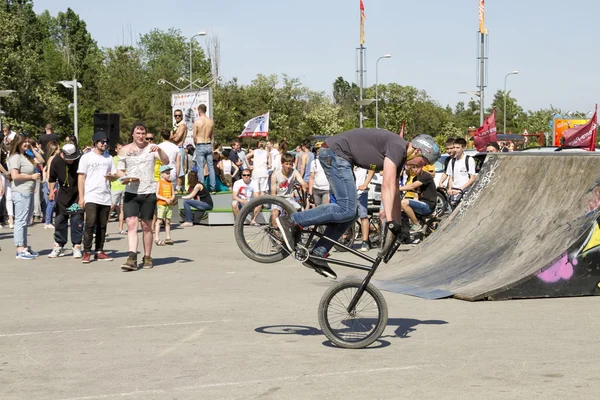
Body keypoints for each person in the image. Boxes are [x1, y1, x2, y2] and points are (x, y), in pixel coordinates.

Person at [276, 128, 439, 279]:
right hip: (336, 154)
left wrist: (396, 225)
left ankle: (319, 252)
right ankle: (292, 221)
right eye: (423, 162)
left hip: (342, 158)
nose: (421, 166)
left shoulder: (400, 156)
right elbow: (387, 185)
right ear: (417, 150)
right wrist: (390, 221)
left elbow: (395, 193)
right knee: (346, 208)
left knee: (351, 213)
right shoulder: (398, 147)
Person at [117, 122, 169, 271]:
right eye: (138, 133)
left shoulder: (152, 148)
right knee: (132, 224)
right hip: (131, 192)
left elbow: (166, 161)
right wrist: (126, 177)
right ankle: (131, 257)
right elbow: (119, 170)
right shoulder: (125, 150)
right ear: (132, 134)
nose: (140, 136)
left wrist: (159, 150)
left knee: (147, 227)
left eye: (143, 133)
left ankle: (147, 256)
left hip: (148, 191)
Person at [77, 131, 117, 263]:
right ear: (95, 143)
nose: (105, 144)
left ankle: (99, 251)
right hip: (91, 195)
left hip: (105, 195)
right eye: (102, 142)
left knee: (102, 225)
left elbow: (114, 176)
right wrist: (81, 197)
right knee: (90, 223)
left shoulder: (109, 158)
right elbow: (81, 177)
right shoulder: (86, 157)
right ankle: (87, 251)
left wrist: (112, 177)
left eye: (106, 142)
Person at [8, 134, 44, 259]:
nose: (26, 144)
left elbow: (41, 160)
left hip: (28, 191)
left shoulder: (26, 156)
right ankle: (20, 249)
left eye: (28, 142)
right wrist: (31, 177)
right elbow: (14, 176)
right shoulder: (15, 157)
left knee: (25, 220)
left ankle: (24, 246)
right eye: (24, 142)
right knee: (20, 220)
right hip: (20, 192)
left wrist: (34, 149)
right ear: (18, 143)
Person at [48, 143, 84, 258]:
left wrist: (83, 196)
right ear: (63, 154)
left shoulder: (79, 159)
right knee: (60, 220)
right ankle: (59, 244)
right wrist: (51, 191)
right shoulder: (56, 161)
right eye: (69, 159)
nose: (71, 161)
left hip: (76, 195)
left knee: (76, 220)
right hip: (63, 195)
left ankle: (76, 246)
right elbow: (52, 178)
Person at [398, 163, 437, 233]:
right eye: (413, 167)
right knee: (402, 207)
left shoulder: (425, 175)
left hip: (428, 205)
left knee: (403, 203)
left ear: (421, 166)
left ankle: (417, 225)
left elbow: (411, 186)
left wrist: (397, 188)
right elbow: (416, 196)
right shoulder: (415, 178)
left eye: (417, 167)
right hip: (421, 203)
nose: (415, 169)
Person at [270, 153, 306, 224]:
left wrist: (304, 186)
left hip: (289, 198)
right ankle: (276, 231)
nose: (288, 166)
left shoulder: (294, 172)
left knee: (299, 212)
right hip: (278, 198)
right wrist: (279, 205)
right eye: (286, 164)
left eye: (290, 164)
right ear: (282, 164)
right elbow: (273, 193)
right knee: (275, 214)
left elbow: (302, 181)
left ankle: (292, 230)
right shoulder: (275, 175)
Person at [193, 104, 216, 193]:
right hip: (208, 144)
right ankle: (213, 187)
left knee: (200, 167)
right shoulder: (211, 122)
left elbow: (195, 136)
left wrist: (196, 144)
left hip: (200, 143)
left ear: (199, 111)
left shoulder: (197, 121)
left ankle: (202, 187)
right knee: (211, 167)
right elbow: (211, 135)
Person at [154, 165, 176, 243]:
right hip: (161, 204)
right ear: (162, 174)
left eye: (169, 173)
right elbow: (157, 194)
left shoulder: (170, 183)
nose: (168, 175)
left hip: (169, 204)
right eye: (167, 173)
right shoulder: (159, 182)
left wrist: (171, 199)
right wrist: (165, 199)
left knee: (168, 221)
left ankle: (168, 237)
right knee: (159, 221)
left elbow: (173, 193)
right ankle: (156, 237)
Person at [355, 167, 375, 252]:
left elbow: (372, 169)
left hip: (361, 191)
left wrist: (365, 184)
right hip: (349, 191)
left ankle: (365, 241)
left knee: (363, 216)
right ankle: (346, 237)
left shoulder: (363, 158)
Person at [42, 142, 60, 229]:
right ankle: (48, 222)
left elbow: (45, 169)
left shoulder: (50, 158)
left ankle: (48, 221)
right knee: (51, 203)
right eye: (58, 149)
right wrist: (50, 183)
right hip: (52, 182)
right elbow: (49, 171)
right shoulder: (53, 158)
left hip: (51, 182)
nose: (59, 150)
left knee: (52, 202)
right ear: (54, 150)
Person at [170, 109, 188, 193]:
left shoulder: (182, 125)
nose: (177, 117)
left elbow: (176, 138)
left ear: (182, 116)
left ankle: (178, 187)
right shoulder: (175, 126)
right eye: (176, 115)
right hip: (176, 148)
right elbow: (172, 137)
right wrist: (174, 135)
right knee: (179, 168)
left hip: (180, 148)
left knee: (180, 168)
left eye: (179, 115)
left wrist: (172, 135)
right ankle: (183, 188)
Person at [110, 143, 126, 234]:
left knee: (122, 208)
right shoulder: (113, 159)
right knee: (111, 207)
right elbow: (112, 173)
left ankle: (120, 228)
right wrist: (117, 174)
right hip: (115, 187)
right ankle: (104, 227)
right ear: (116, 150)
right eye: (120, 148)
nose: (121, 150)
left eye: (123, 148)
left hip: (125, 186)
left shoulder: (126, 160)